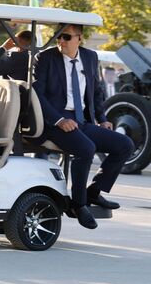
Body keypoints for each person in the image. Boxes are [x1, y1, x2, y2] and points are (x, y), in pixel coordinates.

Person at [32, 24, 134, 229]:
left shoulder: (90, 57)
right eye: (59, 36)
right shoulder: (45, 58)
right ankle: (78, 205)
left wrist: (102, 118)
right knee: (86, 149)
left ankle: (93, 193)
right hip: (54, 122)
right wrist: (59, 120)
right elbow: (37, 95)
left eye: (67, 37)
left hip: (81, 120)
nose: (61, 41)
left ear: (80, 38)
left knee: (125, 145)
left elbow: (96, 91)